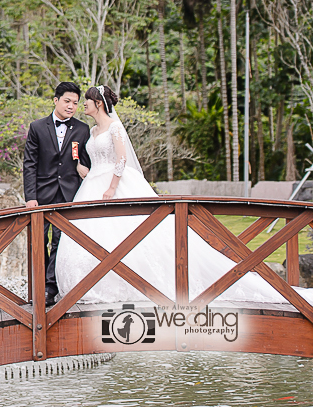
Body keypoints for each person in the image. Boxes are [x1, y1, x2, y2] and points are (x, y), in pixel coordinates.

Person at [55, 85, 313, 305]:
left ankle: (143, 285)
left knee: (137, 236)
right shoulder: (91, 132)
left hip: (116, 185)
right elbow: (100, 157)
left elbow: (121, 160)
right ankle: (93, 288)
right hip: (92, 184)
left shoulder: (114, 128)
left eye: (85, 101)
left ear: (98, 103)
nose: (82, 105)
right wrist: (84, 170)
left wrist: (111, 188)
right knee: (94, 237)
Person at [23, 82, 92, 306]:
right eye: (67, 101)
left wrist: (81, 165)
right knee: (39, 240)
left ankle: (50, 288)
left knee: (60, 242)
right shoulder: (37, 127)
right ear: (56, 100)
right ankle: (40, 283)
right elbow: (30, 164)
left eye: (75, 103)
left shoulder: (83, 129)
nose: (71, 106)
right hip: (42, 194)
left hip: (68, 194)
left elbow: (86, 160)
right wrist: (30, 197)